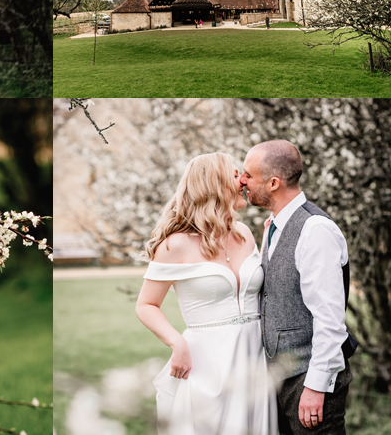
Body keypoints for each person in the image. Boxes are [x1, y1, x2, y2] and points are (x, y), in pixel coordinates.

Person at [136, 152, 276, 434]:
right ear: (214, 184)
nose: (243, 182)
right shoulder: (174, 245)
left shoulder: (245, 233)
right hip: (208, 362)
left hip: (256, 357)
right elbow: (146, 305)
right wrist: (177, 343)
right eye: (235, 175)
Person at [240, 140, 354, 434]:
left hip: (308, 380)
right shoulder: (272, 226)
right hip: (280, 379)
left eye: (248, 175)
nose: (241, 181)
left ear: (274, 182)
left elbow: (330, 320)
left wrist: (315, 387)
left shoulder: (315, 230)